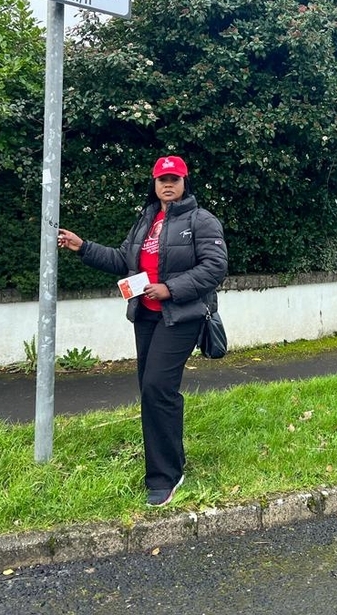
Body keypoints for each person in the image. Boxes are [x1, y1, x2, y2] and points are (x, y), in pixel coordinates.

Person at [57, 155, 228, 506]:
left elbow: (215, 266)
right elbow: (124, 260)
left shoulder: (201, 221)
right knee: (151, 391)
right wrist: (83, 247)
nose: (168, 185)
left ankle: (166, 476)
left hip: (181, 317)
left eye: (175, 179)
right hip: (147, 316)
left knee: (157, 387)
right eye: (162, 179)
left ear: (185, 183)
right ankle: (167, 462)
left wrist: (170, 288)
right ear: (154, 184)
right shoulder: (145, 221)